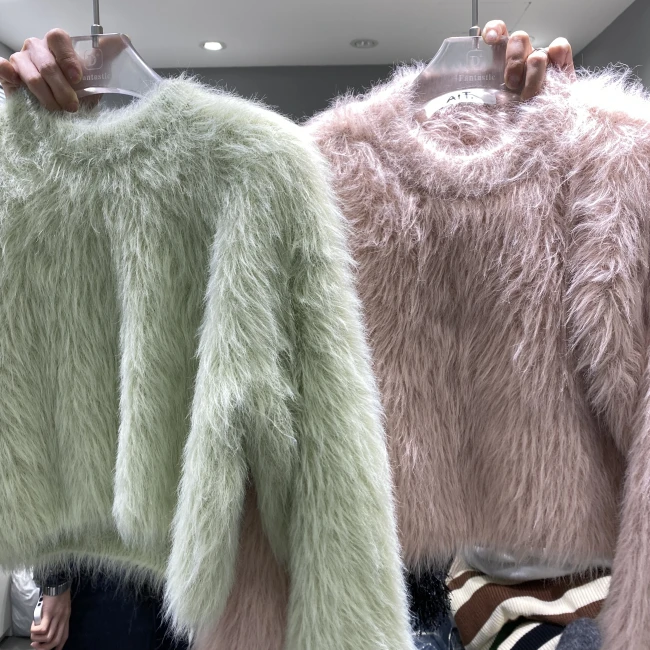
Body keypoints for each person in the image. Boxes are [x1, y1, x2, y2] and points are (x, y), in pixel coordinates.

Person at [0, 20, 574, 650]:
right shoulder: (284, 165)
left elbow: (319, 429)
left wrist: (566, 156)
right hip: (182, 572)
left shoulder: (266, 169)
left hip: (268, 566)